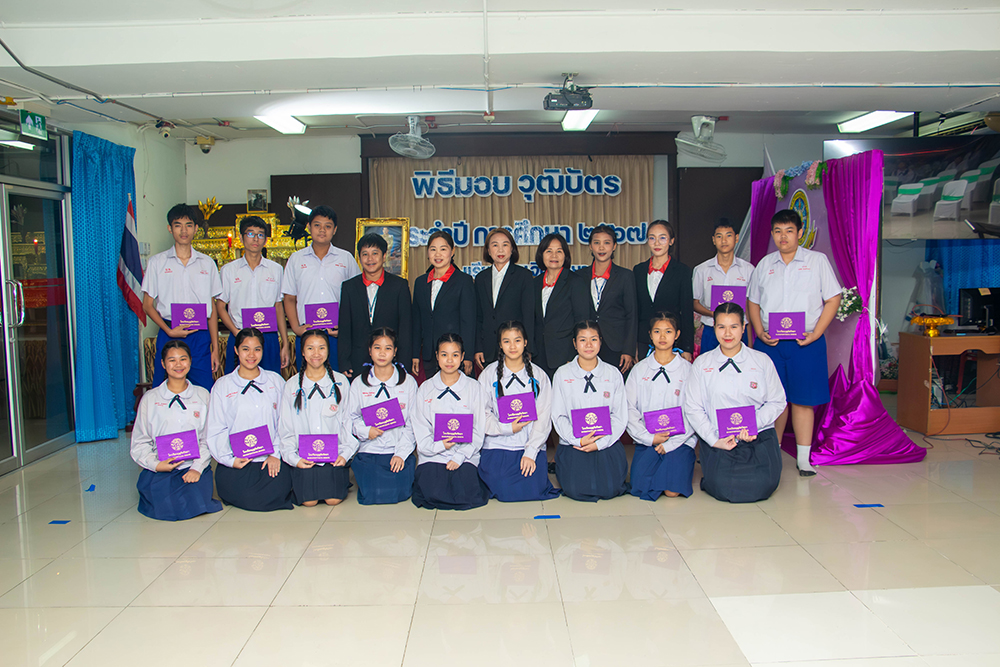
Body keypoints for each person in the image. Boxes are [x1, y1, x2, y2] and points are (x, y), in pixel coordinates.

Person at [747, 209, 842, 477]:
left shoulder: (817, 261)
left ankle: (803, 459)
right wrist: (759, 332)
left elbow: (833, 298)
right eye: (778, 231)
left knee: (803, 400)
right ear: (772, 234)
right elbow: (753, 302)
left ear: (800, 233)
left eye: (789, 231)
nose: (783, 237)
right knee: (773, 401)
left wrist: (816, 333)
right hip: (771, 344)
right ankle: (773, 455)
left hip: (806, 343)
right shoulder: (765, 264)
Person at [684, 303, 787, 503]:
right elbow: (693, 408)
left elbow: (777, 401)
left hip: (757, 436)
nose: (727, 333)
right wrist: (714, 440)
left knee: (764, 484)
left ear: (743, 327)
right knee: (722, 486)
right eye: (721, 327)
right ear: (714, 328)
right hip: (720, 438)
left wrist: (753, 425)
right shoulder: (702, 364)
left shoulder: (761, 361)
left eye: (734, 326)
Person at [130, 340, 222, 521]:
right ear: (163, 364)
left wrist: (196, 468)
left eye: (183, 359)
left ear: (190, 361)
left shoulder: (203, 395)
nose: (178, 364)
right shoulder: (150, 398)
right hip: (161, 465)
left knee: (195, 501)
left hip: (193, 464)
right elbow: (140, 442)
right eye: (172, 360)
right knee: (164, 504)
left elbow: (208, 438)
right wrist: (156, 465)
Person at [206, 328, 293, 511]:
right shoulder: (222, 386)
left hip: (270, 458)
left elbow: (285, 422)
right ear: (236, 350)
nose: (251, 355)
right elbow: (216, 428)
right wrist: (230, 460)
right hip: (238, 459)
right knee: (245, 494)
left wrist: (275, 454)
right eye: (245, 349)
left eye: (257, 349)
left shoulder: (276, 381)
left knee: (278, 489)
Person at [141, 203, 222, 389]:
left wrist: (215, 349)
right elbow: (147, 305)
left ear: (196, 228)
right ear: (170, 228)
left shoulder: (207, 263)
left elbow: (211, 308)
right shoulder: (157, 263)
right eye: (178, 225)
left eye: (188, 225)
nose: (183, 231)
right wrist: (168, 331)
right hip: (169, 331)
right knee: (165, 389)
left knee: (203, 389)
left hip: (199, 335)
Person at [478, 320, 560, 501]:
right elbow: (482, 414)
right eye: (506, 341)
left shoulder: (539, 376)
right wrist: (507, 428)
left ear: (525, 342)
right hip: (498, 444)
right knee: (502, 487)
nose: (512, 346)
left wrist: (531, 452)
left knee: (531, 488)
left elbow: (544, 418)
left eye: (517, 340)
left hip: (529, 444)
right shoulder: (488, 375)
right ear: (500, 345)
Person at [551, 321, 630, 502]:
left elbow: (619, 417)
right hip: (574, 443)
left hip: (606, 442)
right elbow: (559, 416)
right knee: (575, 489)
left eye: (593, 339)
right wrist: (578, 440)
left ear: (600, 341)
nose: (588, 345)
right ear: (574, 343)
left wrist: (600, 443)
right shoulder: (562, 374)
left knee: (610, 488)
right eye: (582, 340)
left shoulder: (613, 374)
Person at [411, 333, 490, 510]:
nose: (449, 360)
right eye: (444, 354)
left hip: (465, 454)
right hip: (433, 454)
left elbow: (478, 429)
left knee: (465, 490)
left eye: (455, 355)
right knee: (432, 490)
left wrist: (460, 455)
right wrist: (440, 446)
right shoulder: (425, 388)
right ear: (437, 356)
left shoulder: (474, 387)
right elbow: (421, 427)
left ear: (462, 357)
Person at [278, 329, 355, 506]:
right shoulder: (291, 385)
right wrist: (295, 459)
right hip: (304, 457)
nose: (316, 353)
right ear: (302, 352)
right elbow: (286, 428)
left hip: (333, 456)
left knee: (333, 500)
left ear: (328, 351)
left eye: (321, 348)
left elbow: (348, 423)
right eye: (310, 348)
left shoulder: (341, 382)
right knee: (309, 502)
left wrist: (344, 454)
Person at [625, 312, 697, 500]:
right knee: (640, 486)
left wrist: (671, 443)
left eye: (668, 331)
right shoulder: (640, 369)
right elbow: (629, 408)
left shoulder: (688, 370)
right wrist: (649, 438)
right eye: (657, 331)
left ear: (677, 334)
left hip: (680, 440)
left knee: (671, 492)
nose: (662, 337)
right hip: (649, 438)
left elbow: (695, 410)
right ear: (650, 334)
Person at [282, 205, 361, 371]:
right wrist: (296, 328)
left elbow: (357, 297)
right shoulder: (296, 259)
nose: (322, 230)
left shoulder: (346, 258)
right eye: (317, 225)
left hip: (337, 336)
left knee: (338, 380)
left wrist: (345, 328)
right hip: (307, 334)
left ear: (335, 230)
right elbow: (289, 298)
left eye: (328, 226)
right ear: (309, 227)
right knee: (307, 380)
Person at [347, 327, 418, 505]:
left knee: (399, 492)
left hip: (398, 448)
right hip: (369, 449)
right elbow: (351, 418)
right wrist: (366, 431)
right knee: (373, 493)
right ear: (370, 350)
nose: (382, 353)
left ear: (395, 352)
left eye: (388, 348)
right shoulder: (359, 383)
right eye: (377, 347)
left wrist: (401, 454)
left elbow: (413, 422)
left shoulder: (408, 382)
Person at [216, 215, 290, 374]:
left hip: (268, 336)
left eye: (260, 235)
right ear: (241, 237)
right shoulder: (229, 270)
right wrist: (236, 333)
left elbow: (278, 306)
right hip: (240, 334)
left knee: (270, 382)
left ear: (265, 240)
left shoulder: (276, 269)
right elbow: (220, 306)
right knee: (237, 382)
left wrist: (284, 342)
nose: (255, 239)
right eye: (250, 234)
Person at [338, 233, 412, 379]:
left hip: (390, 361)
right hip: (357, 362)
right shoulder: (349, 287)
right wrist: (344, 362)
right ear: (359, 257)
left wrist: (404, 364)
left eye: (375, 253)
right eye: (365, 254)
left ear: (384, 256)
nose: (370, 259)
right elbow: (345, 327)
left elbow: (406, 328)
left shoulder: (399, 286)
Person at [411, 230, 476, 378]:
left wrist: (467, 356)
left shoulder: (464, 281)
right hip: (429, 355)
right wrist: (415, 354)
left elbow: (468, 321)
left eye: (443, 249)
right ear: (428, 253)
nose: (437, 254)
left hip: (454, 355)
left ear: (452, 252)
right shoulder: (420, 282)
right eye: (433, 249)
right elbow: (417, 321)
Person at [578, 224, 637, 372]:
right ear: (590, 246)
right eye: (596, 242)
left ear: (614, 246)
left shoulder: (625, 276)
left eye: (607, 243)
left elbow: (632, 315)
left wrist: (628, 350)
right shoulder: (579, 276)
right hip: (587, 344)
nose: (601, 247)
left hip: (615, 345)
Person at [474, 229, 535, 370]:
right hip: (488, 349)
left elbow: (528, 316)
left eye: (505, 244)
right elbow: (478, 317)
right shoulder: (481, 278)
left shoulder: (524, 276)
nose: (500, 249)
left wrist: (528, 348)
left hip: (515, 348)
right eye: (495, 245)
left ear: (512, 249)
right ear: (488, 250)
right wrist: (478, 347)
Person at [633, 220, 694, 361]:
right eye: (652, 238)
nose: (657, 243)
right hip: (643, 340)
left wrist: (687, 348)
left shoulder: (682, 271)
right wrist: (632, 346)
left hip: (671, 341)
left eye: (662, 238)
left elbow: (686, 311)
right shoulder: (638, 270)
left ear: (671, 241)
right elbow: (634, 310)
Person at [532, 233, 591, 378]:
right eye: (549, 251)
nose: (554, 255)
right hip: (538, 356)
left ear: (565, 255)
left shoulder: (575, 282)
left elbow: (582, 320)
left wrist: (575, 354)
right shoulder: (535, 283)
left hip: (565, 356)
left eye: (559, 251)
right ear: (541, 254)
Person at [692, 218, 754, 353]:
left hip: (739, 330)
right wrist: (713, 313)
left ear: (736, 238)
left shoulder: (748, 270)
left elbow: (750, 305)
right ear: (713, 240)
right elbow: (695, 303)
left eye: (728, 235)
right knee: (709, 365)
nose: (724, 240)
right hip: (711, 329)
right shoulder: (702, 270)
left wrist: (750, 339)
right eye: (719, 236)